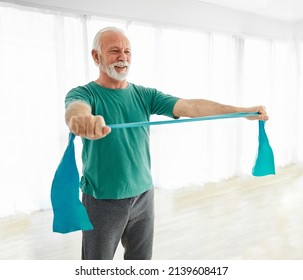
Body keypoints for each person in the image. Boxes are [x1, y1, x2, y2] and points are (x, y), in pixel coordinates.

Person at [65, 27, 268, 260]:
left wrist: (242, 112)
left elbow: (191, 107)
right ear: (96, 56)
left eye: (127, 51)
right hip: (103, 200)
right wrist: (83, 120)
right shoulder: (85, 93)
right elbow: (75, 109)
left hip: (143, 195)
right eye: (114, 51)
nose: (123, 57)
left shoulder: (144, 95)